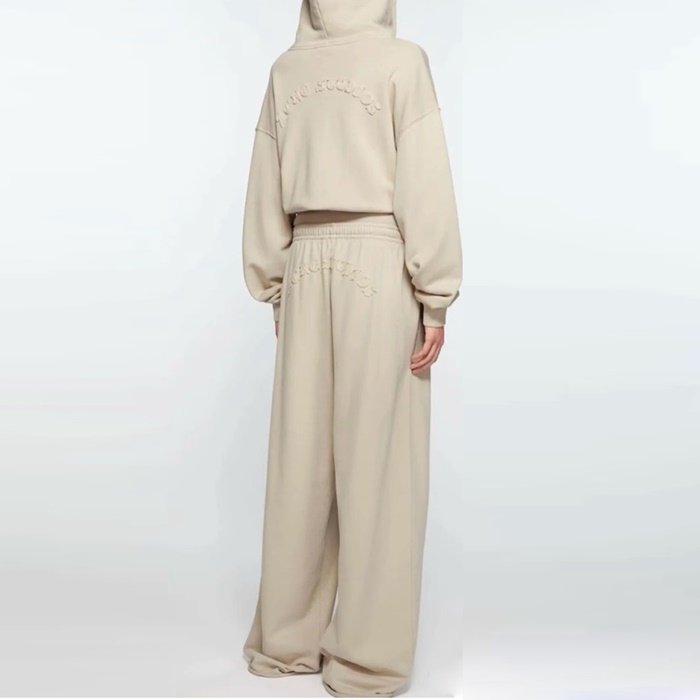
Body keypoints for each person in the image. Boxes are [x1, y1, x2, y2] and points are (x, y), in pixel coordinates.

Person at [240, 0, 463, 696]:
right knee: (381, 466)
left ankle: (286, 643)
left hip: (305, 261)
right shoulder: (402, 63)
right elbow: (424, 181)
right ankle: (366, 661)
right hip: (379, 263)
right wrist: (435, 297)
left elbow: (263, 190)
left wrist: (278, 289)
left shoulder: (287, 69)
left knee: (300, 460)